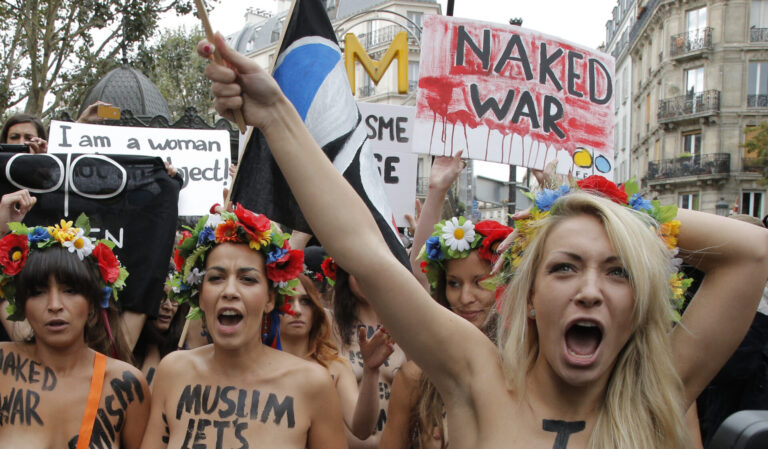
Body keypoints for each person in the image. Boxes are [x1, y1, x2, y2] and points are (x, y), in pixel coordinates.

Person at [199, 34, 768, 449]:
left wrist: (599, 202)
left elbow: (751, 254)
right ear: (527, 297)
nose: (590, 290)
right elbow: (365, 250)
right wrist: (275, 114)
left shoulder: (658, 391)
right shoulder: (475, 376)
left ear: (638, 301)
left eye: (618, 271)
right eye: (565, 267)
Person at [141, 206, 346, 449]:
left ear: (270, 299)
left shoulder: (312, 384)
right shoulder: (173, 371)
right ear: (201, 296)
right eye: (216, 278)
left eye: (248, 279)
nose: (229, 291)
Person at [0, 213, 150, 448]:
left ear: (92, 303)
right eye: (38, 292)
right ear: (21, 305)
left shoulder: (125, 384)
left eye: (70, 290)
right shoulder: (3, 367)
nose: (54, 305)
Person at [281, 273, 392, 444]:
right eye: (287, 301)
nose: (297, 310)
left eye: (305, 301)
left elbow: (362, 430)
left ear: (315, 310)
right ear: (269, 306)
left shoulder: (336, 367)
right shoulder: (256, 364)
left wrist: (371, 371)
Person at [132, 276, 189, 387]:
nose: (168, 306)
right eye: (160, 297)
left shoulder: (182, 355)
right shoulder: (123, 346)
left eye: (173, 298)